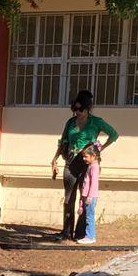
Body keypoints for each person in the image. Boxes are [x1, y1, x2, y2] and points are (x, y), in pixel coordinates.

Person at [50, 90, 118, 241]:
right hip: (70, 161)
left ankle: (82, 233)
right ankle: (66, 231)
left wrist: (99, 149)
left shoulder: (96, 122)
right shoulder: (70, 122)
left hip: (87, 163)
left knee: (85, 196)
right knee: (68, 198)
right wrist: (55, 159)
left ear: (88, 108)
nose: (78, 113)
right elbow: (63, 141)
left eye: (81, 110)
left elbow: (114, 134)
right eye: (75, 109)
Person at [75, 145, 101, 244]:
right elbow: (85, 184)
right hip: (86, 196)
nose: (84, 158)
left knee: (89, 217)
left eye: (86, 156)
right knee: (86, 216)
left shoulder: (95, 167)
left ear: (93, 155)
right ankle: (88, 235)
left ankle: (90, 236)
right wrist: (81, 203)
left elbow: (94, 183)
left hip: (91, 196)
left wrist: (90, 196)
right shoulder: (90, 166)